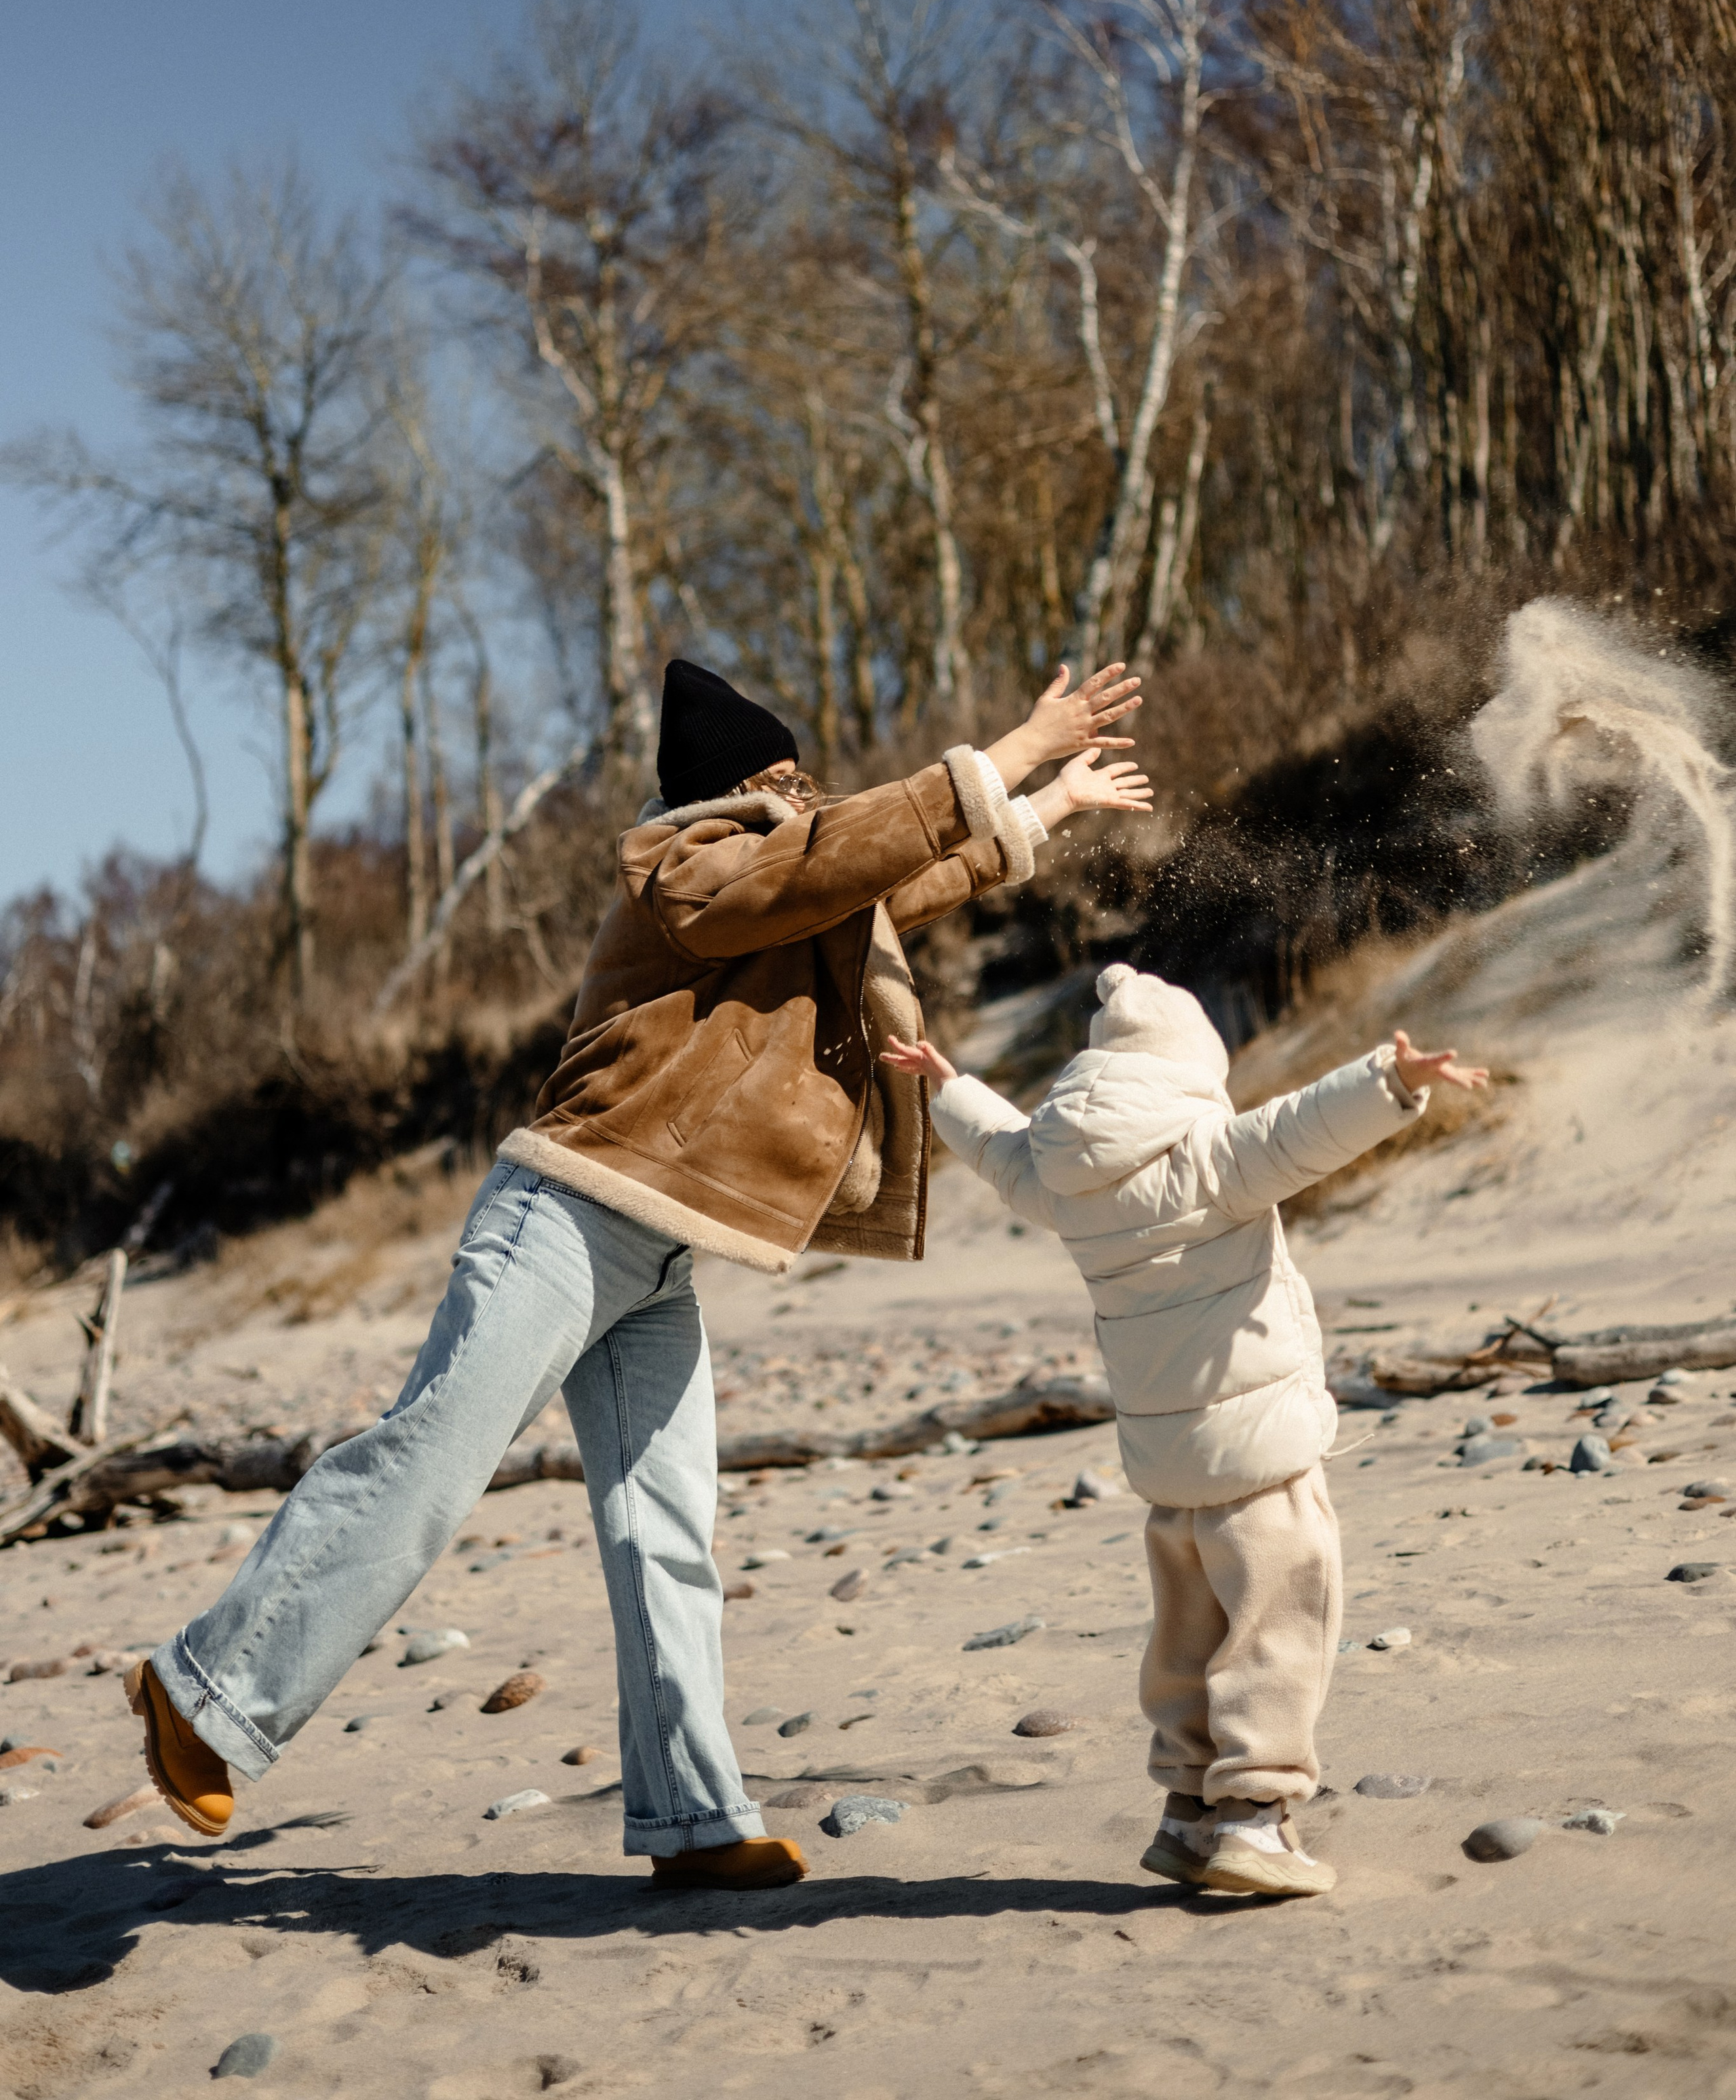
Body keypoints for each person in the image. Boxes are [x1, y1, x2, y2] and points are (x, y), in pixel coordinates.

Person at [125, 657, 1151, 1891]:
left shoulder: (776, 876)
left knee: (665, 1535)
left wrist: (1039, 809)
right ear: (728, 793)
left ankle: (691, 1816)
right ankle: (203, 1688)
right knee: (428, 1466)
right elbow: (823, 865)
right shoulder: (686, 869)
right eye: (779, 782)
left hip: (656, 1252)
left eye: (802, 785)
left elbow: (878, 886)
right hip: (562, 1219)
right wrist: (1014, 747)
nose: (799, 801)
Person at [884, 962, 1487, 1899]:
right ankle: (1255, 1818)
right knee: (1277, 1627)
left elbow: (1003, 1152)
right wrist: (1391, 1082)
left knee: (1190, 1633)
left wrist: (948, 1088)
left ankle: (1185, 1817)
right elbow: (1302, 1130)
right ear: (1189, 1068)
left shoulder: (1067, 1178)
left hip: (1164, 1464)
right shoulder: (1210, 1157)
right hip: (1262, 1451)